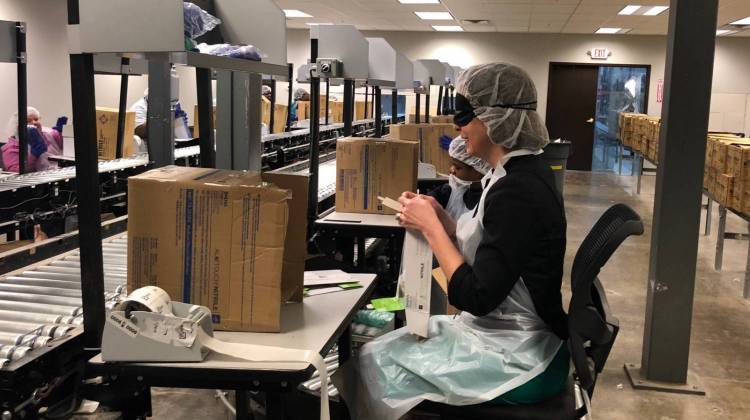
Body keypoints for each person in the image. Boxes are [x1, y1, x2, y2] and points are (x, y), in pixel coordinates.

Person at [337, 63, 568, 420]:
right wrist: (443, 221)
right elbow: (494, 250)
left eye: (466, 115)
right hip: (500, 333)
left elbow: (473, 296)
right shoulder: (510, 173)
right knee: (382, 350)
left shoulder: (518, 191)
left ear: (494, 119)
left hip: (520, 354)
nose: (457, 127)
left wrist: (431, 229)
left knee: (375, 365)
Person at [427, 136, 490, 221]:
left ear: (478, 171)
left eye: (457, 167)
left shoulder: (489, 201)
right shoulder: (449, 191)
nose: (451, 170)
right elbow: (431, 199)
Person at [1, 107, 67, 173]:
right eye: (28, 121)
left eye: (36, 119)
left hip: (60, 173)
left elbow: (68, 148)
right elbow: (15, 171)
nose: (34, 122)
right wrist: (33, 156)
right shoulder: (11, 148)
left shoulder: (49, 134)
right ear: (17, 126)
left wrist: (64, 134)